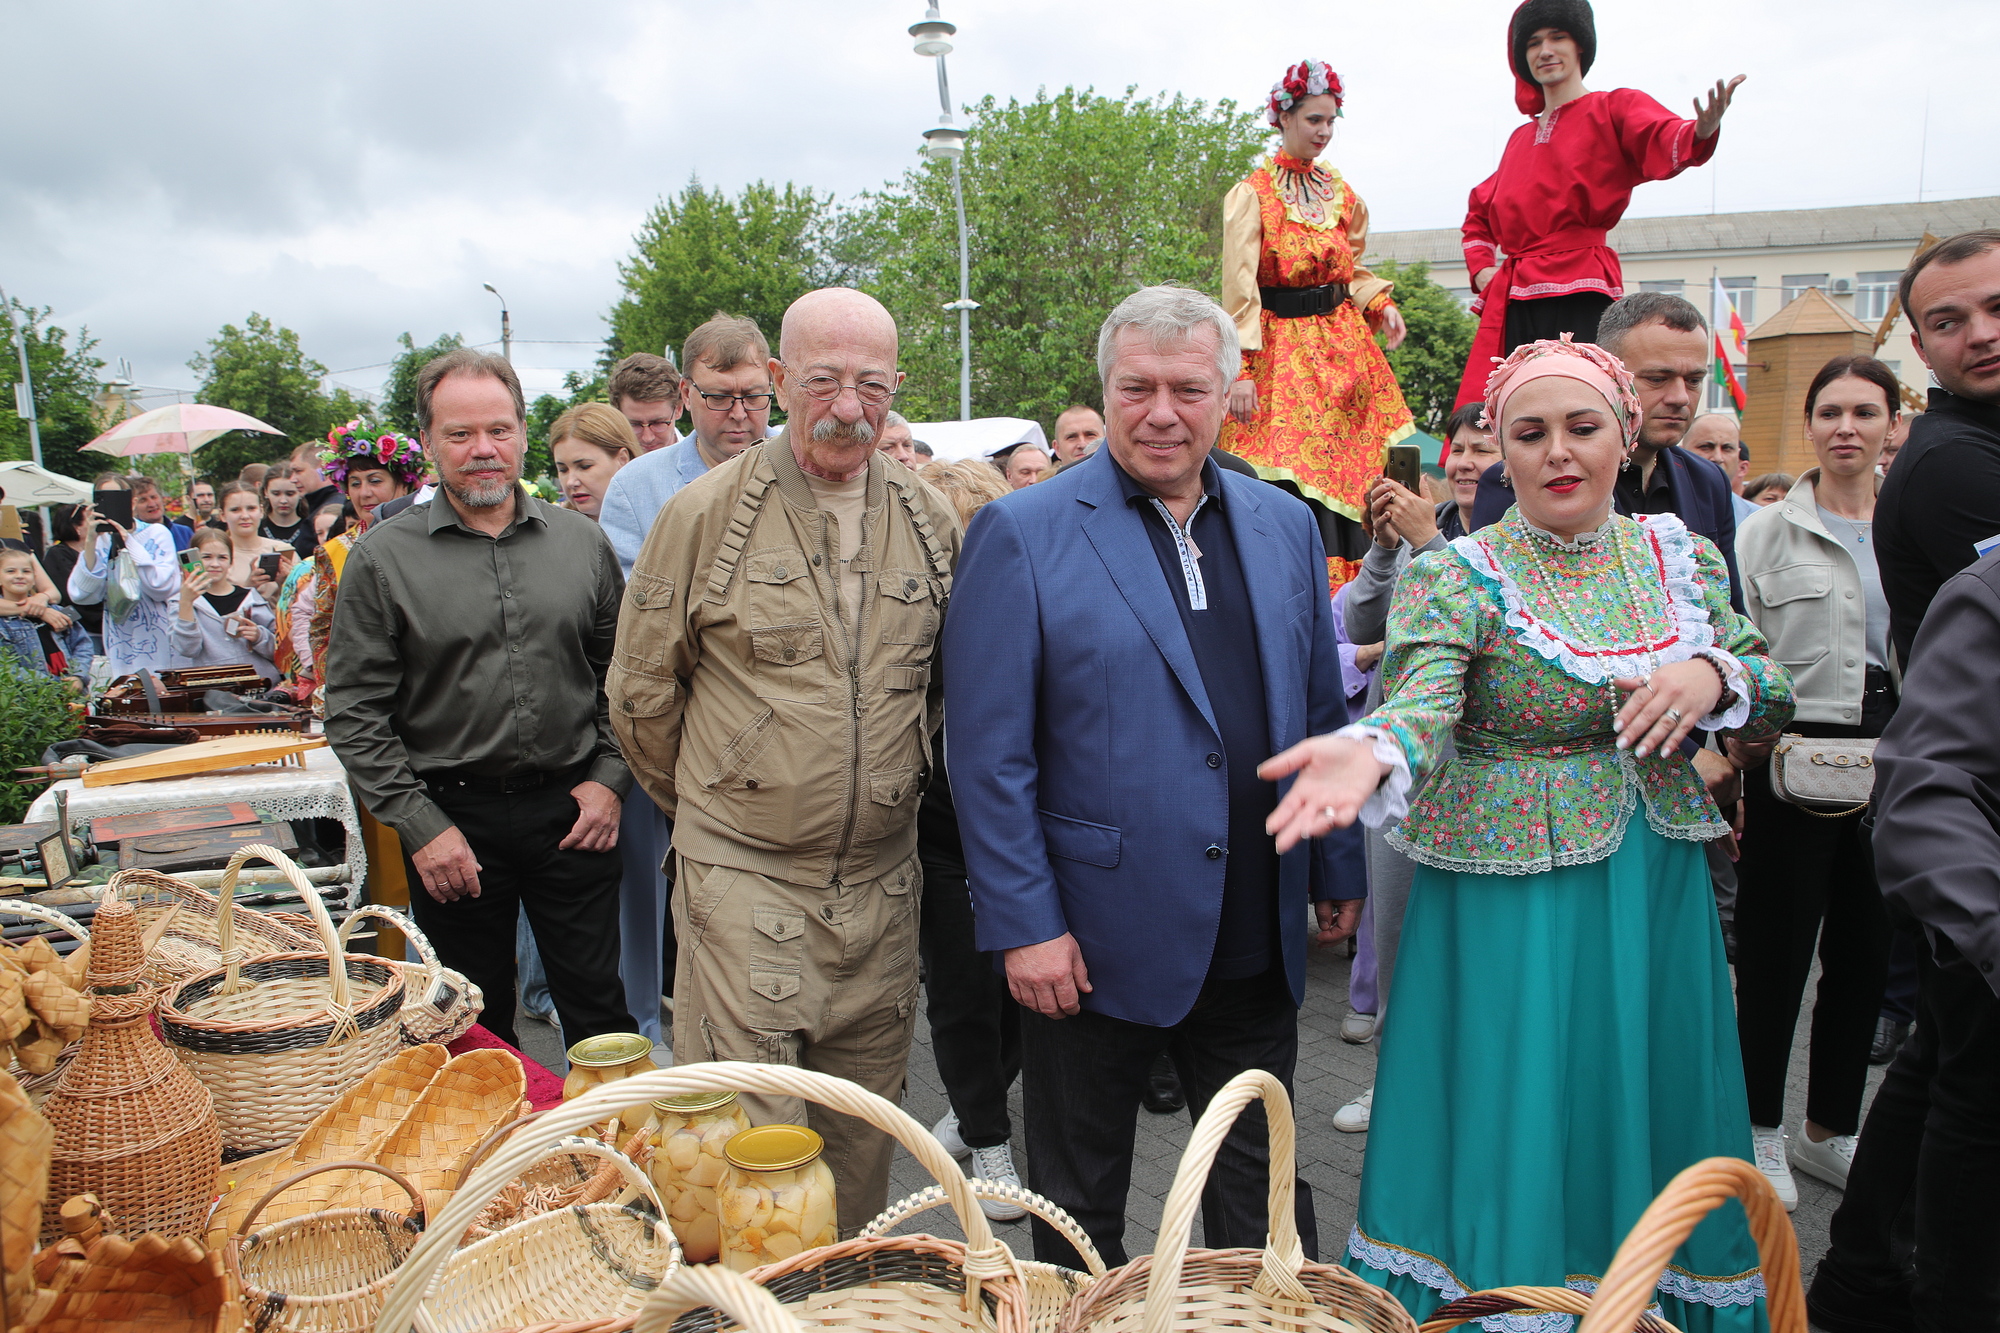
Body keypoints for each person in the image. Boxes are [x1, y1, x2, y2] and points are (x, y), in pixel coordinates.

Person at [1266, 335, 1792, 1328]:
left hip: (1652, 883)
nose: (1558, 451)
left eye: (1580, 428)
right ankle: (1507, 1295)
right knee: (1516, 1095)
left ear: (1621, 436)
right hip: (1507, 890)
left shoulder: (1681, 557)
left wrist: (1711, 676)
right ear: (1497, 451)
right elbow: (1422, 695)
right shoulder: (1458, 574)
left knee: (1642, 1086)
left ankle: (1645, 1286)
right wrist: (1373, 747)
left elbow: (1771, 685)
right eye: (1529, 432)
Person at [943, 285, 1360, 1269]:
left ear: (1228, 396)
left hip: (1255, 932)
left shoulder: (1281, 524)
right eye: (1135, 388)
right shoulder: (1023, 532)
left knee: (1255, 1194)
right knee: (1078, 1205)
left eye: (1187, 388)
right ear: (1104, 388)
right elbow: (986, 754)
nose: (1160, 411)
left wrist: (1335, 865)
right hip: (1087, 946)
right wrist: (1024, 924)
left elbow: (1316, 713)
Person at [607, 288, 962, 1235]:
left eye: (872, 385)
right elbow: (641, 696)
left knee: (860, 1145)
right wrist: (725, 812)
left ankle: (845, 1298)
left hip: (884, 892)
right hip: (745, 889)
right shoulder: (703, 515)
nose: (849, 407)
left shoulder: (932, 521)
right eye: (824, 382)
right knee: (749, 1161)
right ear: (776, 383)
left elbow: (945, 693)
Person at [325, 348, 635, 1051]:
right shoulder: (383, 558)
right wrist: (419, 823)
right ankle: (498, 1159)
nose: (483, 450)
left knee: (600, 1012)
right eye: (460, 434)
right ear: (428, 442)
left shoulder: (582, 544)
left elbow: (624, 678)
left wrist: (611, 781)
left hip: (574, 809)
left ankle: (617, 1153)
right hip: (450, 821)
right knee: (473, 1026)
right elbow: (353, 711)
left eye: (498, 429)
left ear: (524, 432)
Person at [1806, 547, 2000, 1332]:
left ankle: (1861, 1283)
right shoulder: (1987, 592)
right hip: (1980, 922)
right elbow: (1932, 783)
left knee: (1939, 1065)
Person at [1731, 355, 1902, 1211]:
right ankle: (1758, 1126)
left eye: (1864, 411)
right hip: (1791, 754)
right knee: (1774, 953)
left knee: (1868, 952)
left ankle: (1831, 1128)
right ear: (1808, 426)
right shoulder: (1764, 530)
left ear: (1890, 425)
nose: (1846, 427)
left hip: (1900, 752)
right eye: (1830, 410)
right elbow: (1741, 649)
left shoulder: (1911, 523)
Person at [1453, 0, 1743, 407]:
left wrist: (1701, 129)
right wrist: (1483, 270)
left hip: (1582, 282)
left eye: (1558, 37)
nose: (1545, 51)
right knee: (1516, 405)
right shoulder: (1519, 138)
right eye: (1534, 43)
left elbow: (1661, 135)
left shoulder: (1613, 107)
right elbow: (1479, 211)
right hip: (1518, 295)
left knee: (1583, 399)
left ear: (1581, 47)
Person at [1217, 59, 1413, 588]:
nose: (1323, 132)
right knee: (1289, 465)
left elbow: (1353, 267)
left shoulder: (1342, 193)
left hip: (1346, 349)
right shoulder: (1253, 193)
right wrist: (1239, 368)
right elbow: (1240, 286)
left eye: (1330, 122)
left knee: (1360, 463)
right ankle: (1300, 583)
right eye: (1313, 120)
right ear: (1284, 117)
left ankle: (1366, 586)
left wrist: (1379, 304)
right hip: (1284, 349)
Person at [910, 456, 1030, 1222]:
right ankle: (988, 1135)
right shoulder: (907, 605)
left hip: (1018, 819)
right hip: (938, 823)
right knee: (961, 991)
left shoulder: (1024, 596)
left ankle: (971, 1106)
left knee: (1024, 988)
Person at [1874, 230, 2000, 667]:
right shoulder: (1951, 459)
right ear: (1921, 349)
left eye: (1998, 308)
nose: (1982, 334)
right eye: (1947, 322)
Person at [599, 316, 774, 579]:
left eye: (752, 396)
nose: (739, 413)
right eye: (718, 397)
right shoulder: (633, 489)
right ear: (685, 394)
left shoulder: (811, 472)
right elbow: (628, 609)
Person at [66, 476, 179, 675]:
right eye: (103, 499)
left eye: (116, 498)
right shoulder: (101, 541)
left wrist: (128, 540)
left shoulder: (157, 533)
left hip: (158, 636)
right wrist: (90, 541)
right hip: (120, 640)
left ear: (132, 501)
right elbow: (83, 594)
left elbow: (160, 587)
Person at [170, 526, 277, 679]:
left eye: (222, 557)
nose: (215, 564)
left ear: (231, 561)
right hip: (213, 692)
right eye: (207, 557)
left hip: (260, 685)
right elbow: (188, 649)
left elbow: (279, 649)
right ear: (194, 559)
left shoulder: (252, 598)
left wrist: (259, 636)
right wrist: (186, 603)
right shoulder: (180, 602)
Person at [0, 547, 91, 685]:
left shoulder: (58, 610)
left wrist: (78, 676)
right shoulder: (3, 623)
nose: (19, 575)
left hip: (71, 693)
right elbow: (6, 667)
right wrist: (54, 685)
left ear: (35, 578)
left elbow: (83, 643)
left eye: (26, 571)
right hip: (31, 698)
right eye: (10, 571)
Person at [551, 402, 637, 520]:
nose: (571, 482)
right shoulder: (552, 531)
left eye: (585, 466)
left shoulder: (660, 522)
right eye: (563, 469)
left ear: (622, 460)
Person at [213, 482, 295, 603]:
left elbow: (304, 599)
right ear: (222, 515)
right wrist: (248, 588)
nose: (245, 516)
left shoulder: (283, 549)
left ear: (261, 511)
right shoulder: (215, 556)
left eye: (251, 508)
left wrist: (287, 582)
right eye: (235, 510)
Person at [34, 506, 95, 646]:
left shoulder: (100, 551)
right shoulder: (58, 554)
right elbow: (68, 593)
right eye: (90, 519)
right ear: (75, 526)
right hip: (82, 626)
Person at [1685, 412, 1760, 525]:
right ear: (1681, 451)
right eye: (1705, 447)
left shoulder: (1758, 518)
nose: (1718, 458)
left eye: (1727, 448)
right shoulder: (1657, 513)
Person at [609, 352, 685, 454]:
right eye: (635, 424)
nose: (647, 438)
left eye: (658, 423)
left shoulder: (707, 465)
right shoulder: (608, 466)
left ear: (678, 409)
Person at [258, 468, 315, 558]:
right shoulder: (256, 528)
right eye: (276, 494)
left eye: (290, 494)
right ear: (266, 492)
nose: (283, 500)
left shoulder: (312, 529)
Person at [129, 475, 193, 552]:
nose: (152, 504)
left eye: (154, 497)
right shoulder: (131, 538)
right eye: (143, 500)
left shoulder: (184, 533)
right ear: (133, 506)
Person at [293, 444, 339, 516]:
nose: (292, 479)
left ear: (324, 467)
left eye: (298, 471)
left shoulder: (331, 510)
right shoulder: (319, 503)